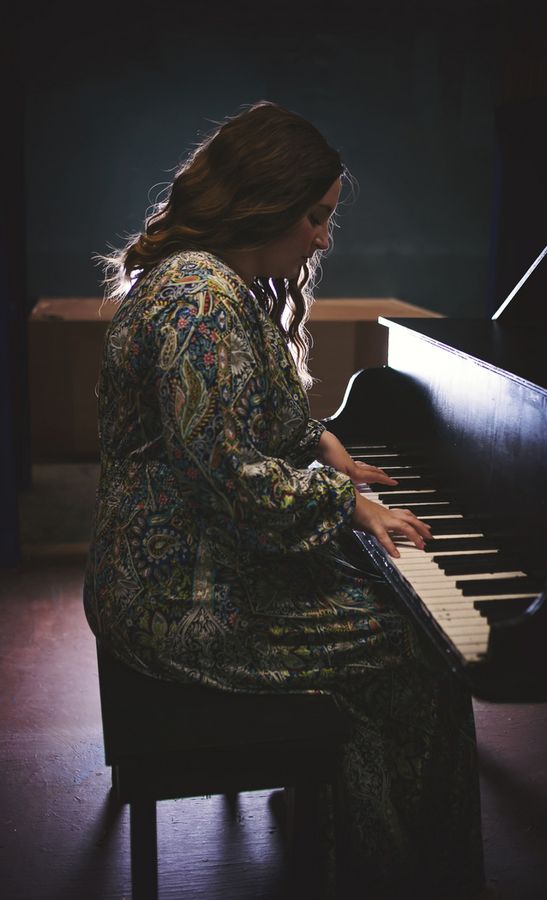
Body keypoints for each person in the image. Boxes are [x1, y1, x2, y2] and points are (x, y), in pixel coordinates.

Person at [84, 100, 485, 898]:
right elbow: (235, 482)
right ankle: (404, 878)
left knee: (392, 611)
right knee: (416, 650)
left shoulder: (213, 279)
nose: (322, 239)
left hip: (183, 563)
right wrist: (345, 502)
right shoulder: (199, 299)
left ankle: (345, 839)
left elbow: (244, 416)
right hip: (173, 593)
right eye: (314, 216)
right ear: (262, 202)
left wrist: (323, 445)